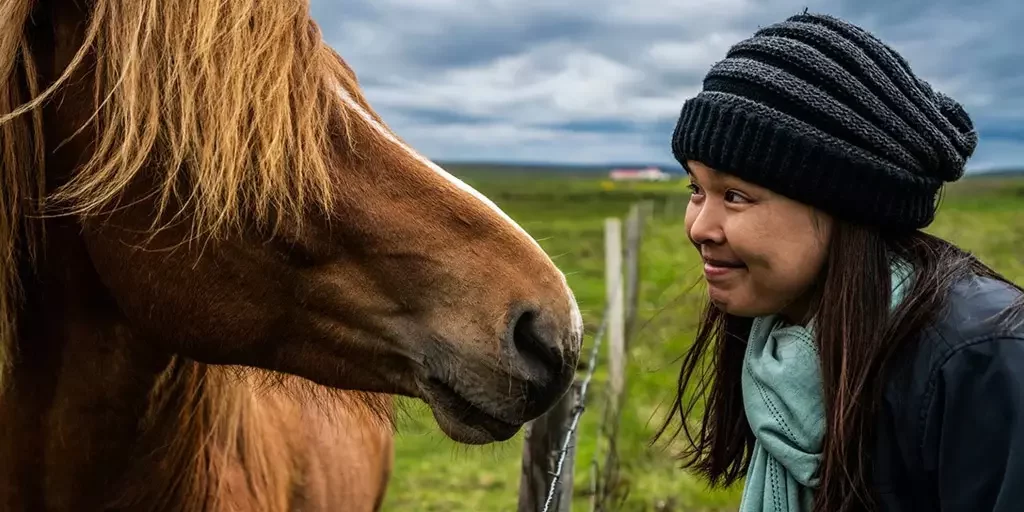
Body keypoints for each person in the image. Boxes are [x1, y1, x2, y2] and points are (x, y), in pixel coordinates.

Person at [653, 10, 1024, 512]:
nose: (698, 227)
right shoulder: (784, 348)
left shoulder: (985, 366)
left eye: (736, 195)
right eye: (696, 189)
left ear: (844, 205)